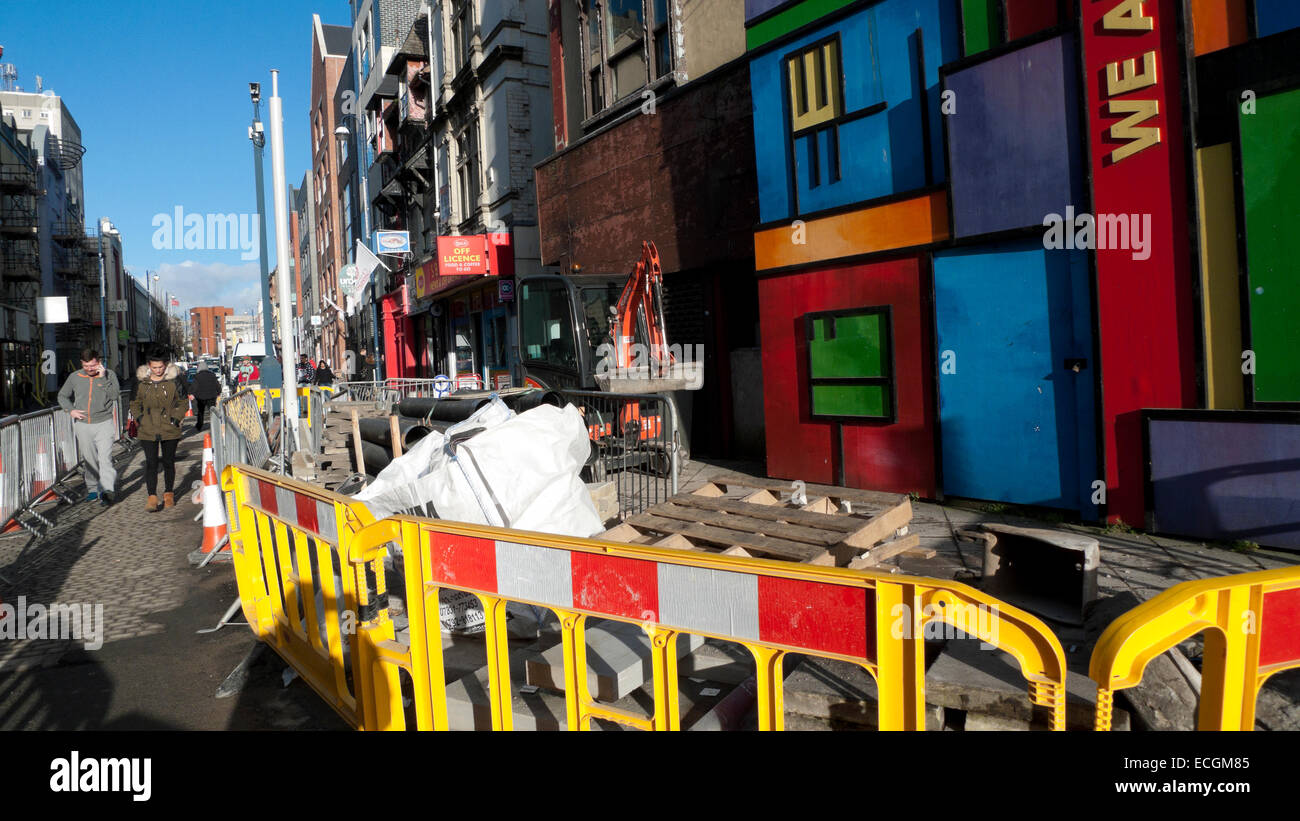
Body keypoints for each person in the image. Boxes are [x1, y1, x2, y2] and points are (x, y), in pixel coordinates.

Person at [57, 348, 120, 505]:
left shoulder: (109, 374)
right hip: (83, 425)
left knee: (105, 458)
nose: (89, 369)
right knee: (90, 459)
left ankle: (107, 491)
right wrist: (70, 410)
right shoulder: (74, 377)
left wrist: (102, 378)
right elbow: (62, 395)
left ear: (99, 362)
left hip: (104, 422)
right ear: (82, 363)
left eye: (92, 365)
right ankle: (92, 489)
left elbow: (114, 395)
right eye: (86, 366)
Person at [130, 348, 188, 512]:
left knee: (169, 462)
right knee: (151, 463)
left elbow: (183, 402)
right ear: (149, 366)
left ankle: (169, 494)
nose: (158, 370)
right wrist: (140, 418)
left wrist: (176, 418)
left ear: (166, 365)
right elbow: (134, 403)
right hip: (148, 428)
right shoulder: (141, 382)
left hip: (169, 427)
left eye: (161, 367)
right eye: (154, 367)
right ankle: (152, 497)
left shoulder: (174, 381)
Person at [189, 362, 222, 431]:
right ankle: (214, 424)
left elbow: (195, 386)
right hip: (211, 396)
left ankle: (199, 425)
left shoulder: (197, 376)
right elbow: (217, 385)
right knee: (212, 411)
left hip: (200, 397)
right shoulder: (212, 375)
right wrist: (219, 392)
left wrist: (192, 393)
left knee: (200, 412)